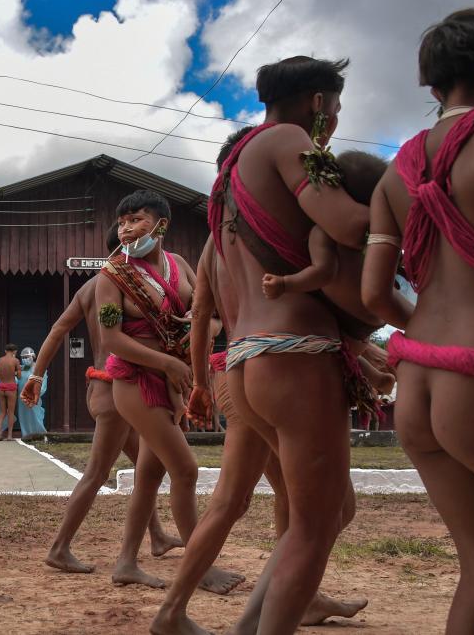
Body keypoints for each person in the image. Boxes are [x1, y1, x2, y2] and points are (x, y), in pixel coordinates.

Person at [151, 126, 368, 634]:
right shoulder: (269, 228)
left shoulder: (216, 240)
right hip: (278, 364)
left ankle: (186, 610)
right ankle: (255, 618)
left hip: (237, 370)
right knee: (327, 507)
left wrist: (203, 384)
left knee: (249, 501)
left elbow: (201, 313)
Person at [362, 9, 474, 633]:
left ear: (434, 88)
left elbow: (375, 293)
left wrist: (441, 345)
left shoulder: (394, 172)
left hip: (421, 388)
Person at [199, 56, 377, 634]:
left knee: (324, 514)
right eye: (337, 106)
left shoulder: (229, 178)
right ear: (318, 101)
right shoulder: (289, 141)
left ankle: (250, 624)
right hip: (297, 354)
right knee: (316, 520)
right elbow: (350, 224)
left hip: (250, 359)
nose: (336, 118)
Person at [23, 225, 191, 582]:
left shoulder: (128, 285)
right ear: (122, 251)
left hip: (119, 389)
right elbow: (59, 330)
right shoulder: (110, 284)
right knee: (98, 472)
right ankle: (60, 547)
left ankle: (157, 536)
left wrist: (37, 376)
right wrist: (34, 377)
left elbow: (56, 330)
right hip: (118, 387)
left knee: (147, 469)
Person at [97, 189, 242, 593]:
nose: (126, 229)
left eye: (136, 220)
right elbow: (111, 340)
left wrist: (197, 334)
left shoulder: (179, 265)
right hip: (135, 381)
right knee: (186, 469)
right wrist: (169, 362)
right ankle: (201, 567)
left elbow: (208, 315)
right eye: (122, 222)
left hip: (173, 384)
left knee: (149, 475)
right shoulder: (111, 275)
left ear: (161, 225)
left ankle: (126, 562)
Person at [261, 150, 397, 397]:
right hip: (374, 312)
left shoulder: (323, 232)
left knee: (333, 343)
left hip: (350, 317)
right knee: (345, 347)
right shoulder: (373, 236)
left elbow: (322, 272)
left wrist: (285, 283)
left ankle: (375, 377)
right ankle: (379, 378)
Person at [15, 347, 47, 439]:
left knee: (36, 416)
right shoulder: (21, 369)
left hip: (34, 397)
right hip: (22, 398)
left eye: (27, 357)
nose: (25, 359)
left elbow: (43, 384)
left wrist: (36, 394)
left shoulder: (39, 368)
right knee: (24, 417)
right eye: (23, 357)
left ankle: (41, 435)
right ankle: (26, 435)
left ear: (33, 357)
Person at [0, 344, 21, 441]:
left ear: (5, 351)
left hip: (1, 387)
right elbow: (19, 377)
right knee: (10, 412)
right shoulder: (16, 361)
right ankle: (9, 436)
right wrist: (14, 372)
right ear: (14, 351)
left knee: (2, 412)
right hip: (11, 387)